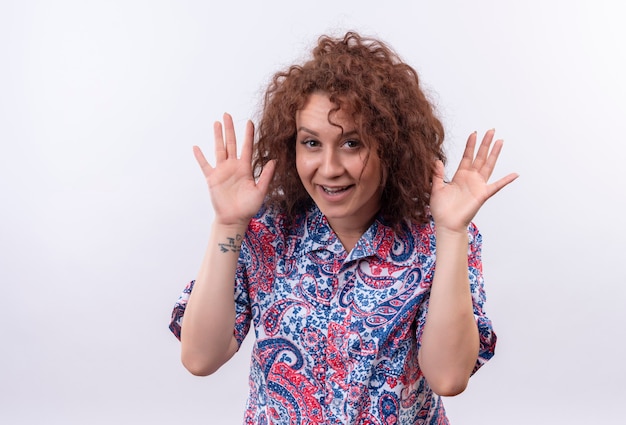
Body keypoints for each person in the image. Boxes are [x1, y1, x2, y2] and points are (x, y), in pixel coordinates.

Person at [169, 31, 518, 424]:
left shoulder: (437, 238)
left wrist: (452, 234)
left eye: (352, 143)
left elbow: (449, 377)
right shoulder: (265, 230)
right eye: (312, 143)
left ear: (391, 146)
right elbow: (200, 357)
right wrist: (228, 224)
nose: (330, 168)